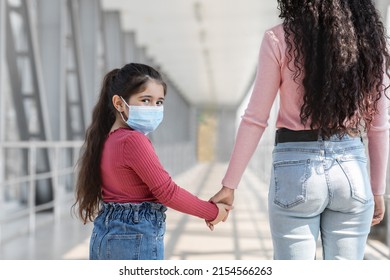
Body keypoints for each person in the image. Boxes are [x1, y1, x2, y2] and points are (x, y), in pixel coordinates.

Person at [210, 0, 390, 260]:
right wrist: (377, 190)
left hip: (294, 169)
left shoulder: (278, 38)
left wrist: (230, 185)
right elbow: (379, 126)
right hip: (351, 170)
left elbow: (255, 119)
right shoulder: (370, 42)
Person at [73, 63, 231, 260]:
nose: (154, 108)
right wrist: (212, 212)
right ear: (119, 103)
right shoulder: (133, 140)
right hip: (132, 238)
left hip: (106, 234)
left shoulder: (108, 139)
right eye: (145, 100)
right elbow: (167, 192)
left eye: (159, 102)